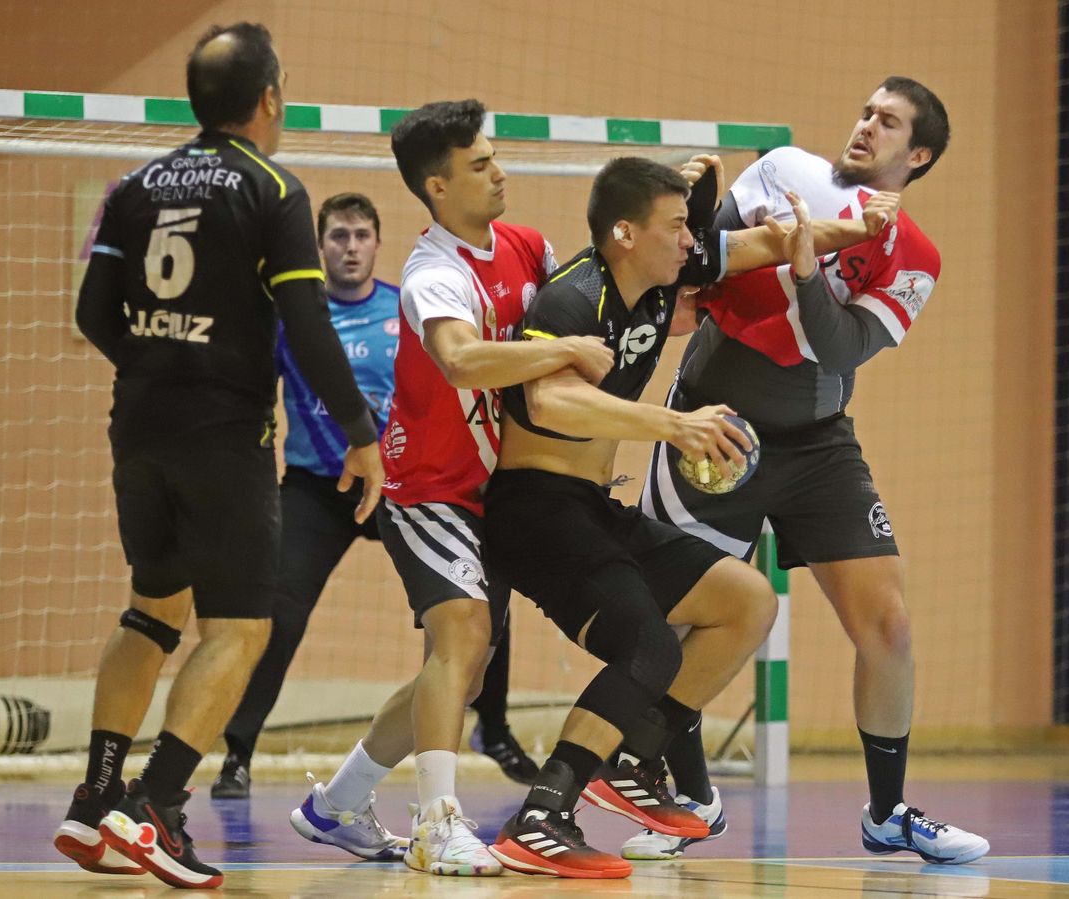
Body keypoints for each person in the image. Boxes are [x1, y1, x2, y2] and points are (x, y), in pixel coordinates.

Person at [481, 155, 883, 879]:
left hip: (593, 507)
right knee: (648, 646)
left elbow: (761, 245)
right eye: (676, 227)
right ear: (625, 233)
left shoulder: (663, 282)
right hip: (534, 510)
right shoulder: (573, 299)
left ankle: (632, 754)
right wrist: (671, 426)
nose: (690, 241)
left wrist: (856, 228)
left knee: (747, 601)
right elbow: (547, 402)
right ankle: (539, 815)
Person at [50, 23, 383, 890]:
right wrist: (360, 432)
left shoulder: (136, 185)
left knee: (154, 610)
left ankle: (93, 801)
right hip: (224, 436)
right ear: (271, 97)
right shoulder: (274, 189)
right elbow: (308, 327)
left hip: (139, 427)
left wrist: (160, 363)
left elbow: (92, 313)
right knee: (241, 625)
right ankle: (156, 804)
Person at [626, 76, 990, 866]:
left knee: (889, 625)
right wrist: (689, 221)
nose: (866, 126)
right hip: (714, 427)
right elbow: (699, 271)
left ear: (917, 154)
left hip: (819, 445)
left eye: (888, 122)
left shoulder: (916, 255)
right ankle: (691, 798)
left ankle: (888, 812)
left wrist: (804, 269)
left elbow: (842, 348)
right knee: (683, 627)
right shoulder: (783, 168)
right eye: (865, 111)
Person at [288, 99, 613, 878]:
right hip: (428, 484)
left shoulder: (529, 247)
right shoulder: (432, 274)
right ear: (437, 187)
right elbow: (464, 360)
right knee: (463, 635)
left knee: (459, 664)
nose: (500, 172)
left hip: (496, 489)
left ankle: (336, 805)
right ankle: (437, 822)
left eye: (495, 156)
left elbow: (600, 304)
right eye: (479, 165)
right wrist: (565, 348)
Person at [208, 193, 538, 805]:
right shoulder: (296, 319)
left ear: (377, 243)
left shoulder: (407, 306)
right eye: (338, 236)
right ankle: (237, 751)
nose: (350, 246)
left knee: (479, 603)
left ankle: (493, 731)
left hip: (402, 484)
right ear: (321, 246)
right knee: (278, 613)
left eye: (361, 235)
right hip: (318, 488)